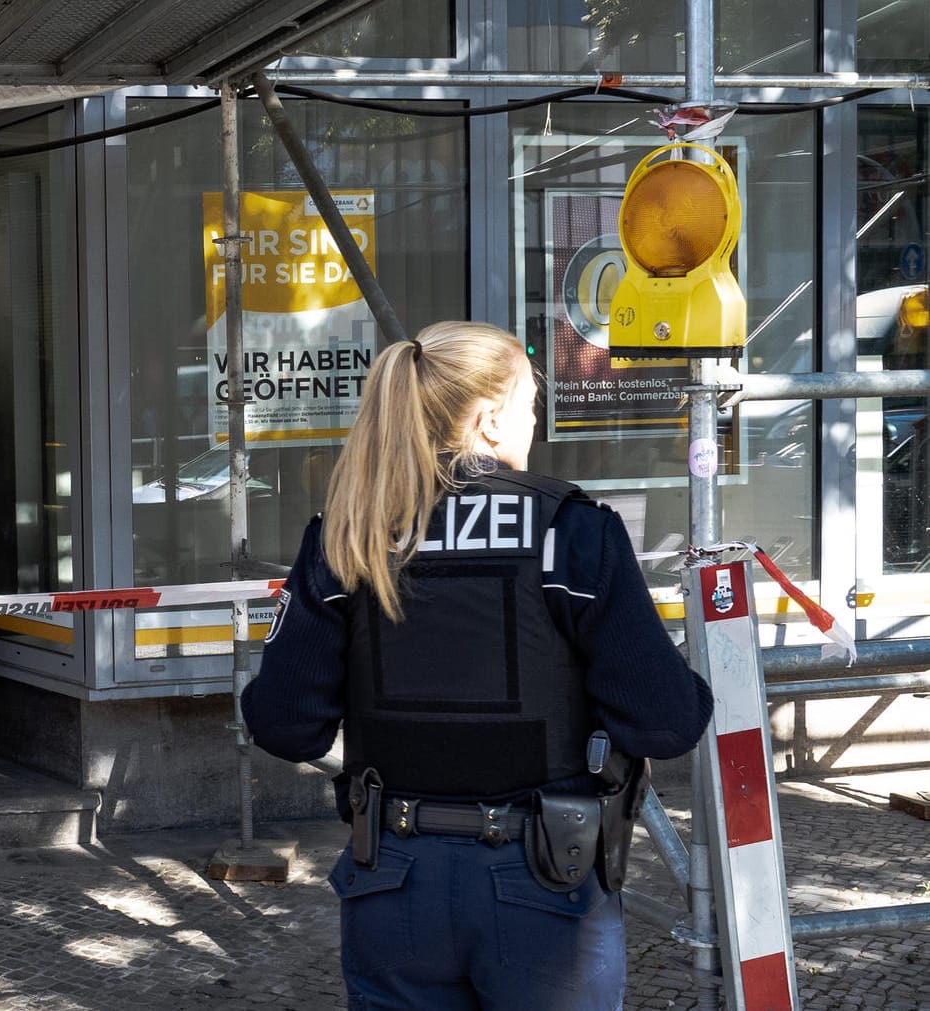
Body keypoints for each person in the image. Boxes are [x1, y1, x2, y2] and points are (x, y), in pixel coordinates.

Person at [240, 321, 713, 1010]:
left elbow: (284, 725)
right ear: (490, 419)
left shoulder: (349, 535)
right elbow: (667, 723)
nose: (533, 426)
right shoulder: (571, 533)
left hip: (393, 879)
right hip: (544, 881)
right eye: (529, 408)